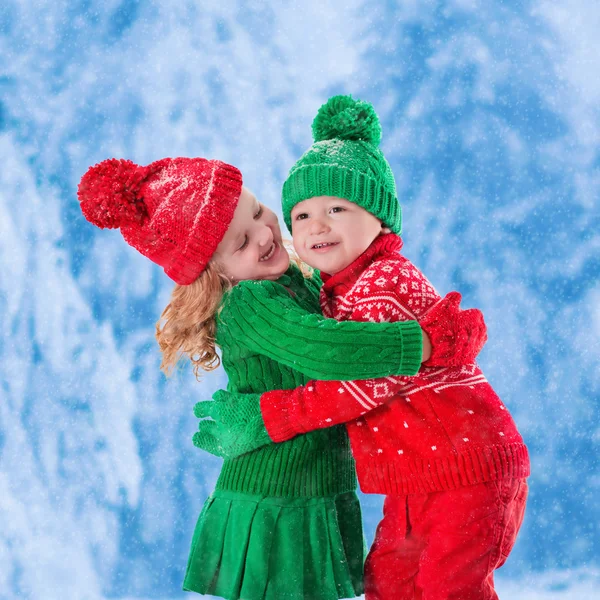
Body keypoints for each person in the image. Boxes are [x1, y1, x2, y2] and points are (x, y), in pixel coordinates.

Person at [77, 155, 484, 600]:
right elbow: (329, 350)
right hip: (277, 501)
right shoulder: (251, 301)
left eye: (256, 212)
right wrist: (423, 343)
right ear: (214, 274)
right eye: (241, 244)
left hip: (305, 490)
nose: (265, 234)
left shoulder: (293, 282)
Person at [193, 95, 530, 600]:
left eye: (337, 208)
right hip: (418, 474)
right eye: (301, 215)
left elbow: (361, 380)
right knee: (389, 582)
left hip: (468, 469)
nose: (315, 226)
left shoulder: (384, 280)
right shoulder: (335, 288)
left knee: (448, 587)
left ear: (379, 218)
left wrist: (271, 415)